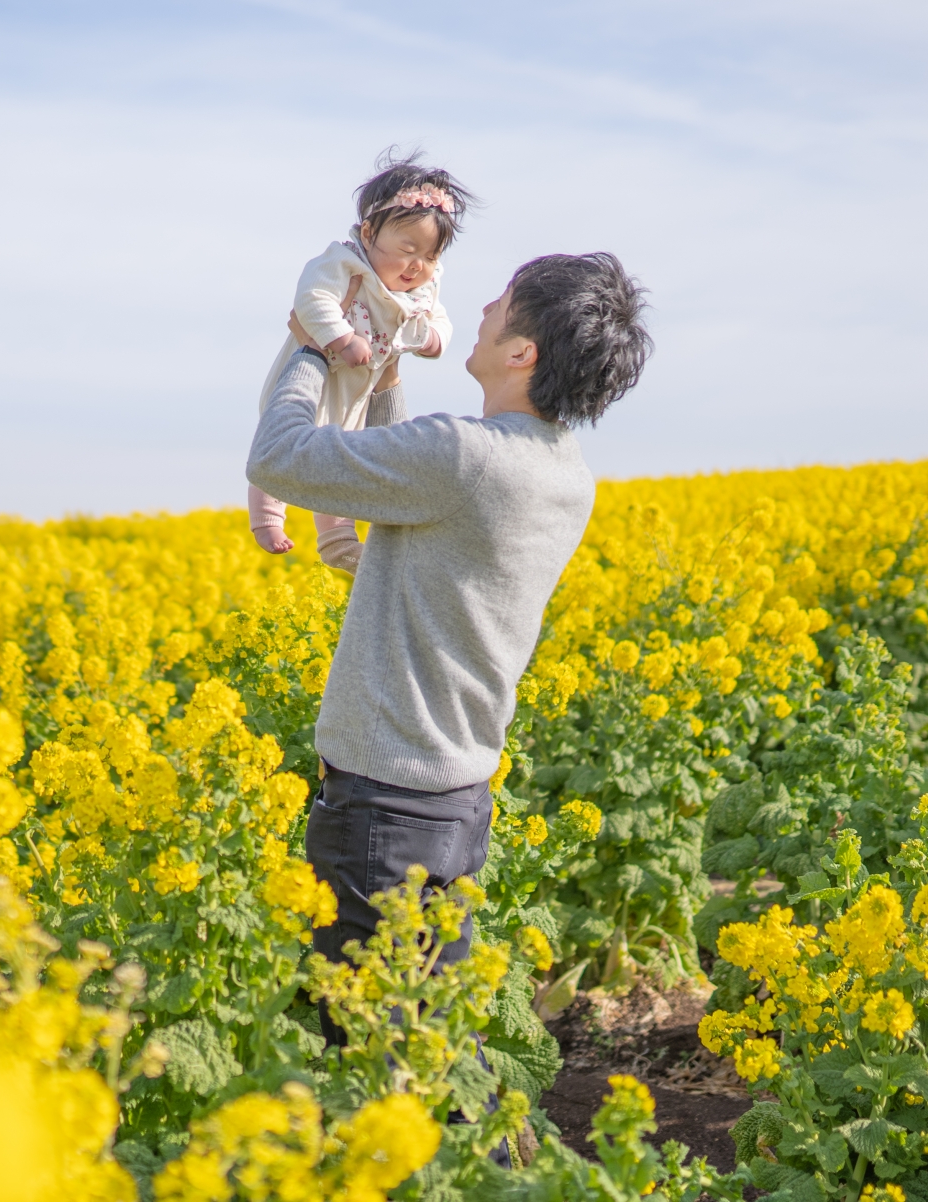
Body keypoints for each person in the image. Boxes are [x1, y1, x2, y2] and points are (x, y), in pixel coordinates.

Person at [245, 251, 652, 1048]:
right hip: (454, 802)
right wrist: (386, 367)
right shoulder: (562, 472)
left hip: (381, 808)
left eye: (501, 304)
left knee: (374, 1063)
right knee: (428, 1047)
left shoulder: (465, 457)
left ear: (521, 352)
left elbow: (278, 460)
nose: (483, 310)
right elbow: (406, 471)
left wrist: (309, 347)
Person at [248, 154, 471, 574]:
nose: (417, 266)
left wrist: (435, 339)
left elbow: (439, 319)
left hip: (360, 395)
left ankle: (337, 542)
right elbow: (311, 300)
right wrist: (342, 338)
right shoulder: (345, 263)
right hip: (319, 377)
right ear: (369, 233)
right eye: (407, 249)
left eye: (430, 256)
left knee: (339, 462)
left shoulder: (421, 288)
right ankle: (267, 520)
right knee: (283, 438)